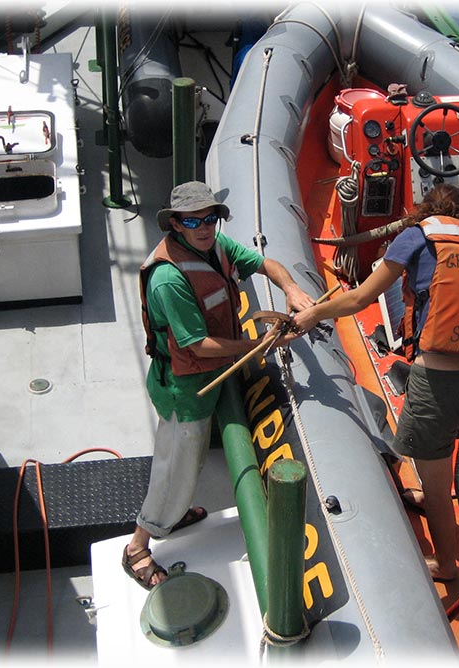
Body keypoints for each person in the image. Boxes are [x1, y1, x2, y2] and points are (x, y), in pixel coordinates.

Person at [293, 184, 459, 582]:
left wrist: (312, 315)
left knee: (437, 488)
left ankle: (446, 565)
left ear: (424, 211)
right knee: (448, 451)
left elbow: (359, 300)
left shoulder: (416, 236)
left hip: (434, 387)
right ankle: (431, 497)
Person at [124, 181, 314, 589]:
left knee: (184, 467)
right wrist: (259, 344)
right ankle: (139, 546)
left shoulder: (218, 247)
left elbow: (266, 265)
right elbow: (198, 344)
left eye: (210, 217)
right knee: (175, 468)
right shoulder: (168, 279)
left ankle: (173, 515)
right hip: (185, 388)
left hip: (211, 376)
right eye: (193, 220)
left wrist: (292, 288)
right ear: (175, 224)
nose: (204, 227)